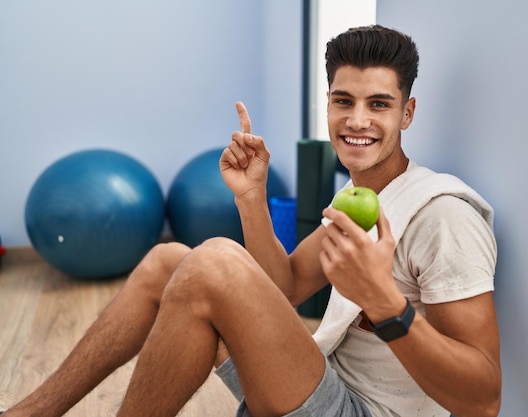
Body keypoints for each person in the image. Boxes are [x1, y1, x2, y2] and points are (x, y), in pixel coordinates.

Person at [3, 25, 501, 417]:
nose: (357, 121)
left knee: (213, 260)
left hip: (361, 410)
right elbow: (283, 287)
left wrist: (386, 305)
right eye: (343, 101)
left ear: (407, 113)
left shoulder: (442, 217)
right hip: (319, 381)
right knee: (168, 260)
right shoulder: (359, 197)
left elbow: (483, 401)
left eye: (379, 105)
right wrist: (251, 197)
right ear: (327, 104)